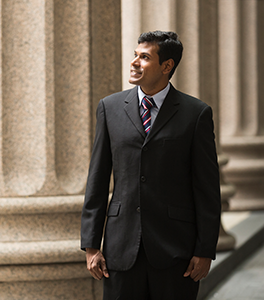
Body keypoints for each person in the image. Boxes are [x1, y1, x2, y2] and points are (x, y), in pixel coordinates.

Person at [80, 31, 221, 300]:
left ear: (167, 66)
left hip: (176, 250)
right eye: (135, 55)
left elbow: (207, 188)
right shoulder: (109, 108)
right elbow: (97, 178)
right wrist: (91, 245)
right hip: (120, 248)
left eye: (144, 57)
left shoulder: (196, 114)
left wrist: (204, 250)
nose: (134, 62)